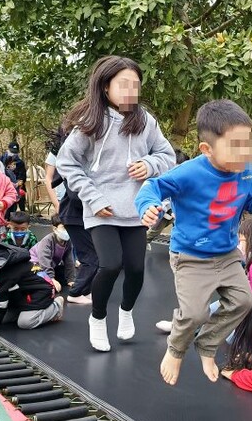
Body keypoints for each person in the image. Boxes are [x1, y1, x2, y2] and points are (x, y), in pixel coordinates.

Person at [137, 99, 252, 385]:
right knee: (195, 313)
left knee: (243, 302)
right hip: (190, 255)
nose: (245, 152)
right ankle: (175, 349)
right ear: (207, 149)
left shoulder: (248, 171)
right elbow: (153, 186)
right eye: (235, 146)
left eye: (248, 144)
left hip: (226, 255)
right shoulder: (189, 172)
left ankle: (207, 345)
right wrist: (148, 205)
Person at [56, 56, 176, 348]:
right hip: (101, 208)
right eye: (124, 84)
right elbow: (67, 163)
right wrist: (93, 197)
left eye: (136, 85)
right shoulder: (90, 122)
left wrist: (149, 164)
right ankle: (97, 318)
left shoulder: (146, 120)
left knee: (135, 268)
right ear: (105, 86)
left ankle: (126, 312)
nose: (130, 91)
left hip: (135, 207)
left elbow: (167, 156)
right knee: (110, 265)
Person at [154, 216, 252, 334]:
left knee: (229, 332)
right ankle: (187, 325)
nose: (238, 246)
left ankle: (188, 327)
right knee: (225, 303)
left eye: (241, 241)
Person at [47, 124, 97, 306]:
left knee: (93, 256)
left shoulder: (84, 164)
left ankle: (87, 290)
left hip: (79, 216)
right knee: (91, 258)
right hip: (74, 217)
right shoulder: (72, 168)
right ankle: (76, 292)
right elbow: (76, 195)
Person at [30, 214, 76, 294]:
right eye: (64, 227)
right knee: (47, 284)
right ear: (55, 229)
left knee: (63, 276)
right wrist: (51, 278)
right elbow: (44, 260)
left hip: (50, 265)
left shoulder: (68, 242)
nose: (67, 230)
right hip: (35, 265)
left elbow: (69, 261)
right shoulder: (47, 241)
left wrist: (71, 279)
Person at [1, 142, 27, 212]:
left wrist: (19, 182)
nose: (13, 154)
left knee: (21, 201)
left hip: (17, 186)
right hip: (5, 186)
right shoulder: (1, 160)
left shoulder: (20, 162)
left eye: (15, 152)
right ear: (8, 150)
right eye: (12, 152)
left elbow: (22, 175)